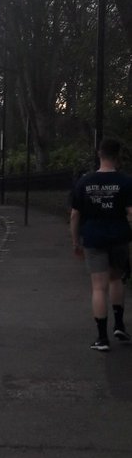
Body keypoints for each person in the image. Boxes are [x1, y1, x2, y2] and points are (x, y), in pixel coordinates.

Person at [69, 137, 132, 351]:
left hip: (94, 237)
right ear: (117, 156)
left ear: (99, 154)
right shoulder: (125, 181)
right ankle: (120, 325)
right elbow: (131, 212)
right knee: (116, 280)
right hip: (119, 237)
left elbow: (75, 214)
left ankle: (102, 337)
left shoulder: (85, 182)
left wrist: (75, 240)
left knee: (98, 287)